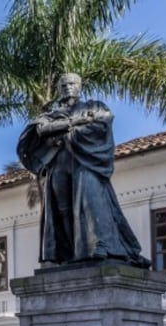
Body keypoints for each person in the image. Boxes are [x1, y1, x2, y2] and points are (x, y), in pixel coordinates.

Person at [17, 73, 151, 267]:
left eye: (72, 83)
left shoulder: (94, 107)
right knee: (63, 210)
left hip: (85, 163)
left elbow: (102, 123)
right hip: (58, 166)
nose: (68, 87)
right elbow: (41, 130)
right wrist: (75, 123)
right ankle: (71, 252)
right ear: (58, 89)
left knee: (91, 204)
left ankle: (97, 246)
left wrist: (63, 133)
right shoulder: (50, 114)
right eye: (63, 85)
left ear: (79, 86)